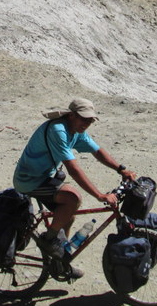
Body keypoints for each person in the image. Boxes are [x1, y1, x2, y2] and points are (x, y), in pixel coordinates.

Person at [13, 98, 136, 277]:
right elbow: (73, 169)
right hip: (29, 180)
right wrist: (100, 196)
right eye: (84, 119)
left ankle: (59, 264)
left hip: (46, 177)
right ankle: (48, 240)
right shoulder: (58, 130)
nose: (87, 123)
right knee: (73, 198)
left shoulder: (76, 130)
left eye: (90, 120)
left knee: (67, 218)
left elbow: (97, 151)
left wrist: (121, 169)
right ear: (71, 116)